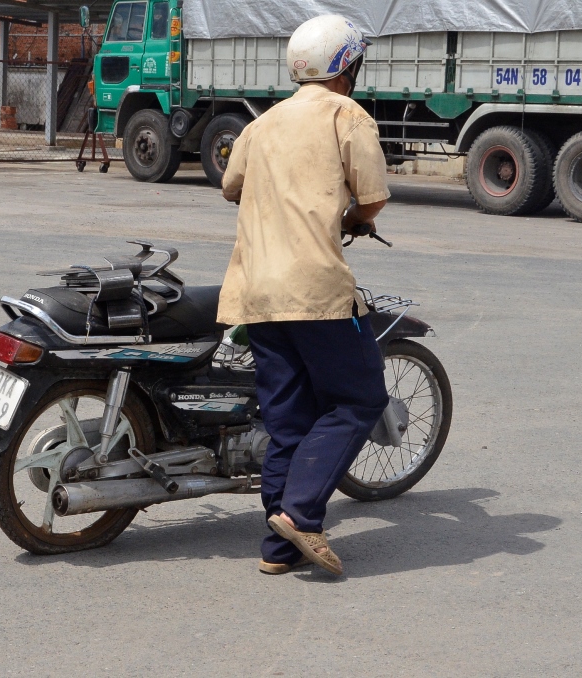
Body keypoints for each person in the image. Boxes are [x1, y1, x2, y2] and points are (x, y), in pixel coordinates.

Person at [216, 15, 390, 576]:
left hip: (259, 290)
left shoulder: (261, 125)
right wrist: (353, 218)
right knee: (359, 399)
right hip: (316, 292)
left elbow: (230, 187)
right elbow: (372, 199)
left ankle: (278, 550)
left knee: (288, 417)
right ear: (346, 67)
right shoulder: (347, 116)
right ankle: (302, 514)